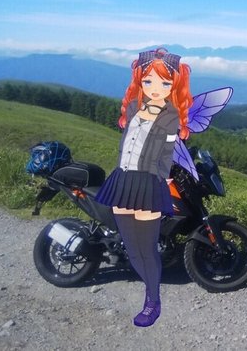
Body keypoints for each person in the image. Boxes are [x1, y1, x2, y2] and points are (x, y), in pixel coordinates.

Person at [95, 47, 192, 327]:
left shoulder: (171, 116)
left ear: (174, 85)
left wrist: (165, 179)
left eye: (165, 82)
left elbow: (165, 154)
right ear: (140, 80)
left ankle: (153, 301)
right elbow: (126, 144)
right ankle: (148, 288)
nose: (155, 88)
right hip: (123, 180)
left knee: (147, 249)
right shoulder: (135, 105)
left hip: (148, 183)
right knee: (132, 247)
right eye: (148, 80)